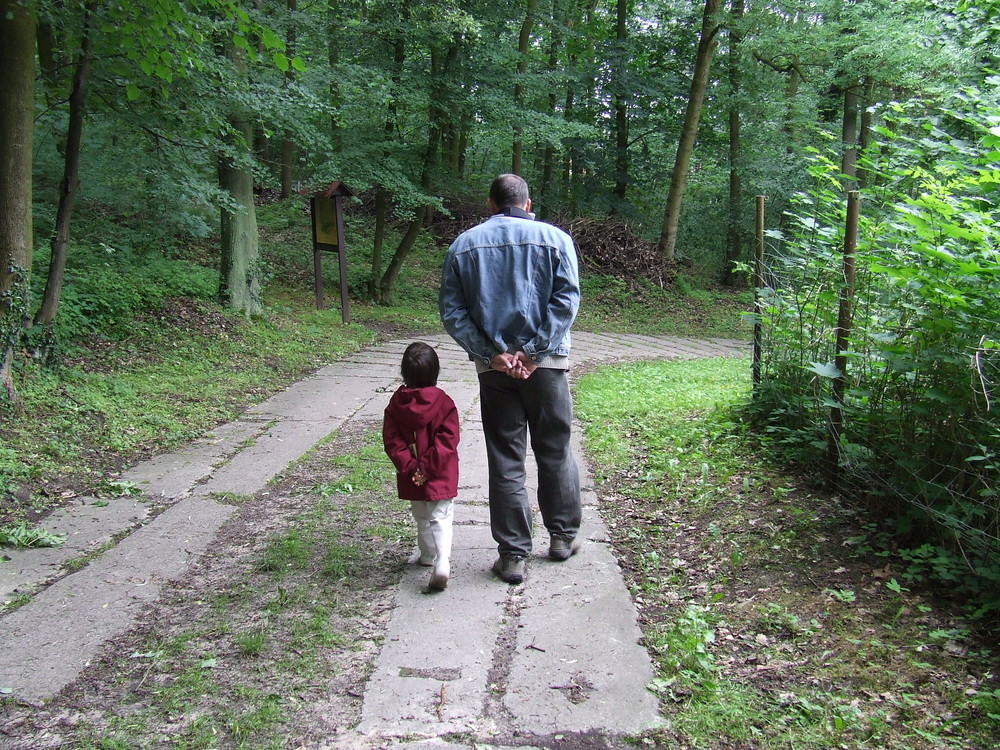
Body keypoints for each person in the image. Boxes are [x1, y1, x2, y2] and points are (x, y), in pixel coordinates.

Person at [439, 173, 582, 586]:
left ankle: (514, 555)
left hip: (495, 371)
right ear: (527, 202)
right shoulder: (556, 240)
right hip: (548, 366)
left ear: (490, 204)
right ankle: (562, 538)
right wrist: (534, 352)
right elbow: (566, 299)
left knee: (506, 457)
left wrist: (494, 354)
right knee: (554, 448)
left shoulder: (463, 245)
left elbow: (453, 312)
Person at [383, 342, 460, 592]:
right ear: (435, 371)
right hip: (440, 472)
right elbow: (448, 441)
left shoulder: (395, 404)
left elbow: (392, 440)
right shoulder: (444, 403)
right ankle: (442, 562)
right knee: (441, 514)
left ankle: (427, 555)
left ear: (404, 372)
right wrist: (427, 468)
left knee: (421, 514)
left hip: (412, 475)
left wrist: (411, 467)